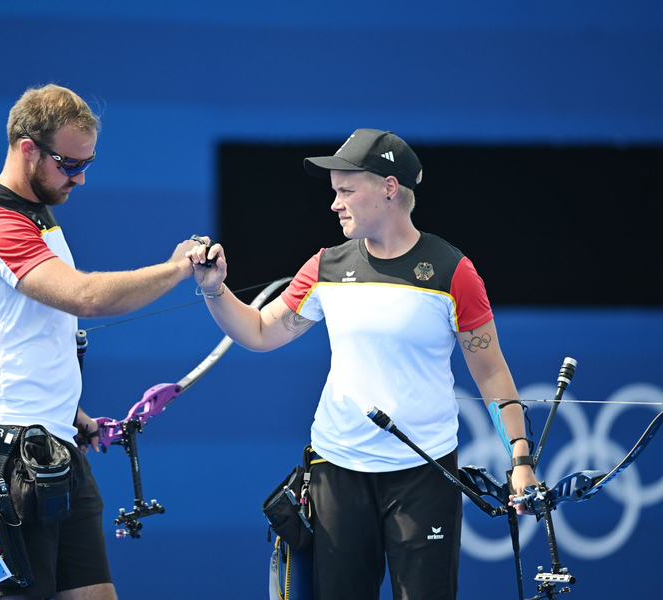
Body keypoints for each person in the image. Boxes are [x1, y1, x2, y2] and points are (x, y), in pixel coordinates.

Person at [187, 129, 539, 600]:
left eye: (346, 190)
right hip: (337, 470)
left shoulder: (453, 272)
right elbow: (259, 332)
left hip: (425, 474)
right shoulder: (325, 266)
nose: (335, 204)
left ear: (389, 188)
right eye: (335, 192)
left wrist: (520, 459)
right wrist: (214, 288)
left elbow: (491, 372)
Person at [0, 83, 204, 600]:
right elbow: (85, 297)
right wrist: (177, 268)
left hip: (54, 442)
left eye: (87, 163)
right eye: (68, 164)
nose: (81, 177)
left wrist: (75, 415)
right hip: (5, 458)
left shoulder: (38, 212)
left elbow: (34, 334)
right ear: (28, 149)